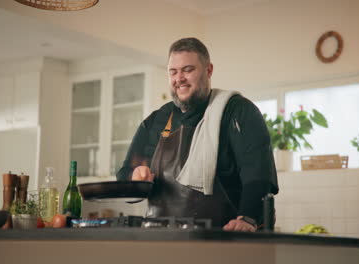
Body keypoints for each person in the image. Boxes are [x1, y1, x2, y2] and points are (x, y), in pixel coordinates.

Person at [116, 37, 278, 232]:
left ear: (208, 70)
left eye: (188, 70)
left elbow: (257, 174)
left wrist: (248, 219)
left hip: (223, 237)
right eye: (173, 72)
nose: (179, 78)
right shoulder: (156, 121)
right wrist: (135, 177)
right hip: (160, 239)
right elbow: (124, 175)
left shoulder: (237, 111)